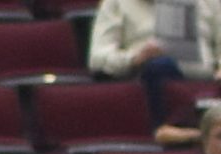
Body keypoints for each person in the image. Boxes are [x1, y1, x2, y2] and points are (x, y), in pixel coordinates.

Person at [88, 0, 220, 135]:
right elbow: (97, 59)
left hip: (206, 83)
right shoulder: (116, 3)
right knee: (159, 66)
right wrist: (134, 58)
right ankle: (167, 132)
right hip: (152, 82)